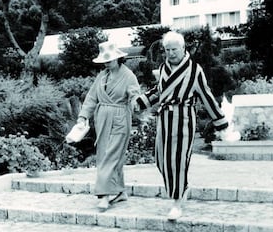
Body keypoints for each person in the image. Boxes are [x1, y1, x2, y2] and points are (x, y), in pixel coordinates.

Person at [136, 31, 229, 220]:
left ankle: (177, 202)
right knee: (161, 160)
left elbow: (206, 96)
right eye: (167, 50)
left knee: (177, 160)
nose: (170, 53)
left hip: (184, 119)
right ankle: (183, 186)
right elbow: (160, 90)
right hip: (164, 119)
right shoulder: (163, 68)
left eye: (174, 49)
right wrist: (142, 101)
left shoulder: (195, 70)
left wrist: (221, 123)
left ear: (183, 48)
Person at [76, 40, 141, 210]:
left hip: (120, 119)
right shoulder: (102, 76)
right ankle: (120, 192)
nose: (107, 63)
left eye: (110, 60)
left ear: (119, 58)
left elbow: (135, 95)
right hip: (102, 120)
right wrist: (83, 117)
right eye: (105, 61)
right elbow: (91, 98)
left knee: (110, 157)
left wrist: (137, 104)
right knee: (106, 155)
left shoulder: (128, 76)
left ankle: (104, 194)